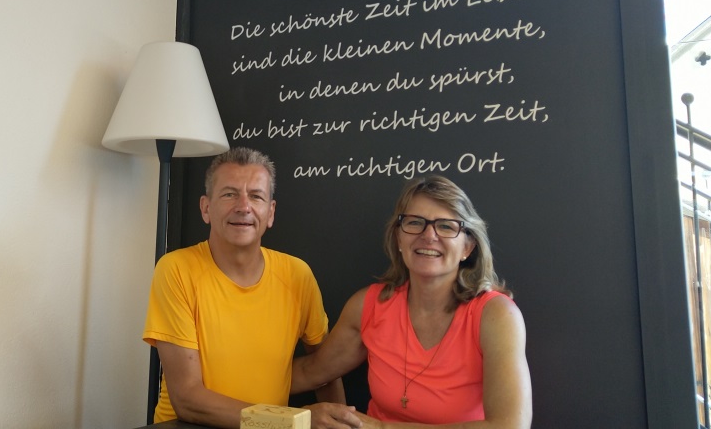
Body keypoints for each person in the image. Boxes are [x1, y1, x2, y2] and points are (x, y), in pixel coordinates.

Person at [143, 147, 360, 428]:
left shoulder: (298, 275)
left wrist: (339, 421)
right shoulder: (176, 270)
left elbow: (325, 370)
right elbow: (187, 399)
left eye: (256, 196)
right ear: (206, 208)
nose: (243, 206)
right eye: (229, 194)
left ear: (270, 213)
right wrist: (294, 423)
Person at [293, 176, 532, 429]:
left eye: (446, 226)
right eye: (415, 223)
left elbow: (510, 426)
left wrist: (381, 428)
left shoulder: (496, 315)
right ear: (398, 238)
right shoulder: (369, 306)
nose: (428, 236)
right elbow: (311, 372)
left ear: (468, 247)